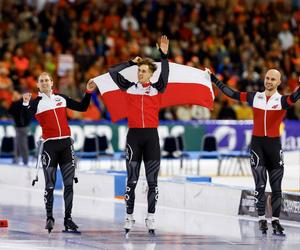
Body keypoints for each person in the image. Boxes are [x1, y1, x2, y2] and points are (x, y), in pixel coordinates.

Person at [207, 68, 300, 235]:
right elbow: (232, 94)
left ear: (279, 82)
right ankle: (262, 219)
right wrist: (214, 79)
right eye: (267, 78)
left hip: (274, 146)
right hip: (257, 146)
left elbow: (295, 97)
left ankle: (276, 221)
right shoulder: (255, 97)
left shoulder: (282, 101)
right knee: (260, 185)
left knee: (277, 187)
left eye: (273, 79)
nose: (269, 81)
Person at [108, 35, 169, 234]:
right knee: (131, 180)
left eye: (144, 71)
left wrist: (164, 55)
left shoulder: (157, 88)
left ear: (151, 74)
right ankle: (129, 216)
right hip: (133, 137)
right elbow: (111, 71)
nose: (140, 73)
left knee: (153, 182)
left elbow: (165, 73)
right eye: (139, 70)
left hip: (151, 137)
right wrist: (129, 63)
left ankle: (151, 217)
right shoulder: (129, 87)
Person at [22, 72, 97, 233]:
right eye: (41, 81)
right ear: (37, 85)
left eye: (47, 80)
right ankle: (49, 217)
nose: (44, 83)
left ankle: (68, 219)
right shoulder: (36, 103)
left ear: (51, 83)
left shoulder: (61, 98)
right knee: (49, 185)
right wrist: (25, 104)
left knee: (69, 184)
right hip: (49, 147)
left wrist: (88, 92)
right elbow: (25, 120)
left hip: (65, 145)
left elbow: (82, 107)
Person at [8, 90, 30, 165]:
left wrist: (14, 102)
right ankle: (16, 159)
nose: (14, 96)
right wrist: (13, 101)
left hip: (22, 127)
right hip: (18, 126)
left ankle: (25, 161)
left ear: (19, 94)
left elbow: (19, 111)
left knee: (22, 144)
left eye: (15, 94)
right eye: (13, 94)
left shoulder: (22, 102)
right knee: (17, 143)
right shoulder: (16, 103)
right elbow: (10, 112)